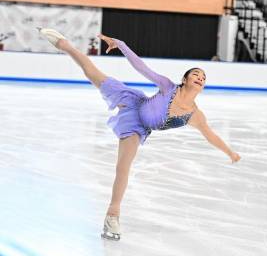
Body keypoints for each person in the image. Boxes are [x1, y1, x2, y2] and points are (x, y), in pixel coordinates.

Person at [38, 28, 241, 241]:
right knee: (91, 73)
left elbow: (211, 136)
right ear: (185, 78)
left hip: (137, 126)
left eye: (203, 77)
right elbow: (141, 67)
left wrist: (230, 153)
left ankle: (112, 215)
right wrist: (122, 45)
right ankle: (64, 44)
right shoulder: (168, 87)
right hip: (133, 100)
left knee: (123, 166)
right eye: (196, 74)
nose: (200, 78)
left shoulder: (194, 115)